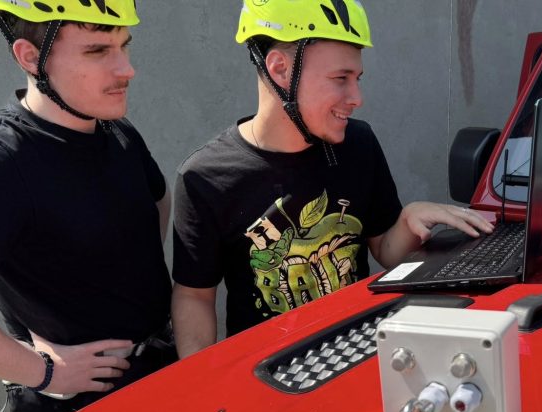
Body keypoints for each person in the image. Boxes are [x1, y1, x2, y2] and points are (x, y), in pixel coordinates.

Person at [171, 0, 492, 357]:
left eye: (357, 79)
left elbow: (386, 251)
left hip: (355, 356)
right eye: (341, 79)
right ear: (280, 69)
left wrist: (408, 221)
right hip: (268, 373)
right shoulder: (205, 177)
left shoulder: (359, 144)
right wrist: (198, 376)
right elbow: (194, 295)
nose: (357, 98)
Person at [0, 0, 175, 412]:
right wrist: (42, 371)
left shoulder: (115, 130)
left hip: (160, 372)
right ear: (30, 57)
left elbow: (156, 201)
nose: (127, 69)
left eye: (124, 46)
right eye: (97, 51)